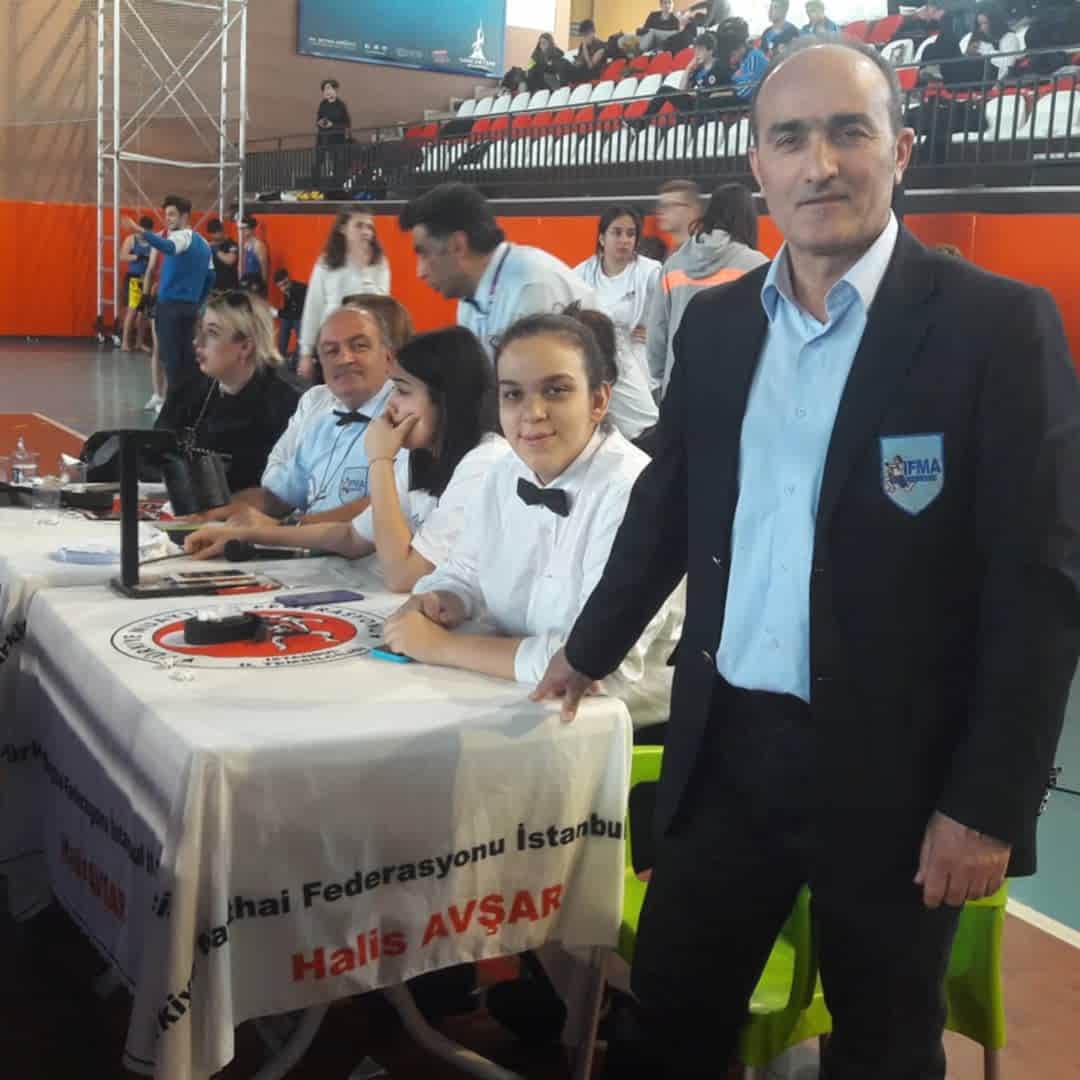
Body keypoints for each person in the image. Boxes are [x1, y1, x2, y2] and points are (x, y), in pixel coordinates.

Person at [532, 36, 1080, 1080]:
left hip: (899, 771)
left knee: (883, 1049)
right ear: (759, 166)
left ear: (900, 150)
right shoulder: (720, 323)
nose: (819, 164)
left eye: (847, 133)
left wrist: (988, 803)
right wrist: (588, 648)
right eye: (790, 139)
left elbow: (1039, 584)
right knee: (669, 1027)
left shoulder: (997, 328)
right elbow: (669, 503)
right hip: (728, 749)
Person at [383, 311, 681, 731]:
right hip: (506, 697)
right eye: (513, 394)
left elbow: (591, 663)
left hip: (612, 727)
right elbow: (463, 570)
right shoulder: (504, 472)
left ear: (598, 401)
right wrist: (443, 599)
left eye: (556, 391)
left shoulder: (634, 491)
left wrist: (441, 647)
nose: (532, 412)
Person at [184, 327, 508, 591]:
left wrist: (380, 461)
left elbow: (403, 576)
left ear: (446, 401)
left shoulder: (484, 463)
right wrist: (245, 534)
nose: (391, 405)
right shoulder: (423, 458)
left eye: (403, 391)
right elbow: (352, 537)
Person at [195, 304, 394, 526]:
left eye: (359, 346)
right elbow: (276, 497)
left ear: (388, 357)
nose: (344, 358)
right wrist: (213, 511)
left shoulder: (406, 419)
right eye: (331, 351)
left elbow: (391, 505)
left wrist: (287, 529)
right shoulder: (323, 422)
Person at [399, 183, 594, 362]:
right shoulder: (469, 299)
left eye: (424, 253)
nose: (420, 272)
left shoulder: (531, 289)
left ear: (457, 245)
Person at [154, 291, 300, 493]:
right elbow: (153, 454)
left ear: (245, 347)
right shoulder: (187, 389)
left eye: (212, 333)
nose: (197, 342)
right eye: (200, 330)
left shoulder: (284, 408)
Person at [646, 182, 767, 396]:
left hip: (680, 390)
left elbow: (657, 336)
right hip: (734, 391)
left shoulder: (673, 265)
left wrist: (663, 378)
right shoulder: (758, 266)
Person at [574, 207, 662, 440]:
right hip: (597, 364)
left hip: (640, 364)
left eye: (631, 234)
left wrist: (656, 332)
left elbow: (672, 311)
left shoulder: (650, 272)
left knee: (644, 429)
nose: (624, 240)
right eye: (617, 232)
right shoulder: (581, 274)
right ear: (602, 238)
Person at [123, 195, 214, 393]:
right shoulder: (204, 244)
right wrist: (197, 302)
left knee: (170, 359)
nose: (168, 219)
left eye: (172, 214)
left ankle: (171, 401)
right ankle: (186, 400)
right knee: (186, 357)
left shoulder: (180, 236)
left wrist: (139, 230)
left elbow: (168, 247)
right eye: (166, 215)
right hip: (189, 308)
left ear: (185, 216)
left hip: (170, 307)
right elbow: (210, 277)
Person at [297, 210, 391, 380]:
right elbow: (313, 306)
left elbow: (382, 306)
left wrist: (364, 272)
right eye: (359, 225)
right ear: (342, 228)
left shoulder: (379, 263)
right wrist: (306, 352)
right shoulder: (326, 262)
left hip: (364, 345)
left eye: (369, 227)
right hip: (331, 343)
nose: (366, 232)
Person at [120, 215, 154, 352]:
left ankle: (139, 342)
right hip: (134, 279)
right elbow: (122, 256)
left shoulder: (152, 241)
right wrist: (138, 257)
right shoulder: (131, 239)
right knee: (132, 311)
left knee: (143, 313)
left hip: (147, 279)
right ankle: (125, 342)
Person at [655, 180, 705, 252]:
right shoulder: (667, 251)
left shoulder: (707, 251)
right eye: (661, 205)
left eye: (670, 205)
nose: (661, 211)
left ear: (692, 210)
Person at [273, 267, 307, 367]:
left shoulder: (300, 289)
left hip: (305, 318)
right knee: (284, 323)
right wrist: (278, 313)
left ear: (288, 278)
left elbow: (299, 313)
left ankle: (295, 361)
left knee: (301, 335)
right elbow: (288, 311)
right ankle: (280, 355)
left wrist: (277, 313)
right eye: (280, 286)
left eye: (285, 284)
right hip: (296, 317)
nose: (283, 288)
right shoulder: (287, 290)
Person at [206, 217, 239, 292]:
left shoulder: (231, 244)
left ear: (221, 231)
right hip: (214, 287)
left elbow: (230, 260)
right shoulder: (210, 245)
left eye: (215, 233)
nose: (213, 236)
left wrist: (215, 249)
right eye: (212, 234)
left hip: (229, 287)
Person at [238, 215, 268, 288]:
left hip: (256, 281)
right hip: (247, 278)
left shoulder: (258, 245)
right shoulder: (246, 244)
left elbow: (264, 266)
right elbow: (244, 264)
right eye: (242, 229)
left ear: (251, 229)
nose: (242, 231)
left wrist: (263, 284)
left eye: (244, 228)